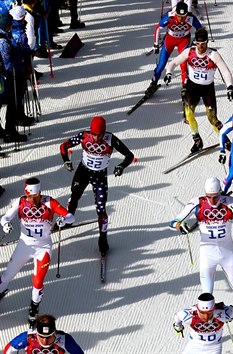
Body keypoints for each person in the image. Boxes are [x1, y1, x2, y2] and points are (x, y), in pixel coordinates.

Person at [169, 177, 233, 329]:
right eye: (209, 197)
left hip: (227, 252)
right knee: (206, 293)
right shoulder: (197, 202)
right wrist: (180, 226)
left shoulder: (231, 202)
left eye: (216, 196)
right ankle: (206, 323)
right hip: (207, 254)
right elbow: (173, 222)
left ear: (220, 193)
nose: (213, 200)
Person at [0, 178, 75, 326]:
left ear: (39, 193)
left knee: (38, 281)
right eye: (29, 197)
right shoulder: (21, 202)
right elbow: (5, 217)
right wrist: (5, 225)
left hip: (43, 248)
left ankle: (34, 308)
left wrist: (63, 221)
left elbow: (70, 216)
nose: (32, 200)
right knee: (7, 275)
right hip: (24, 245)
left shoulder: (49, 202)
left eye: (34, 197)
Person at [59, 116, 135, 256]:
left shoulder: (110, 138)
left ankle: (103, 239)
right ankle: (68, 219)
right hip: (83, 172)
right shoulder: (84, 135)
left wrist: (121, 166)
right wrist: (66, 161)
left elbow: (129, 155)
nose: (95, 137)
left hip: (100, 176)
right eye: (93, 134)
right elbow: (64, 146)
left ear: (103, 132)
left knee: (101, 207)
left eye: (98, 135)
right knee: (75, 195)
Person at [165, 28, 233, 153]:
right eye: (198, 44)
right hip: (192, 87)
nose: (200, 47)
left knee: (212, 118)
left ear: (207, 43)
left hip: (208, 89)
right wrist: (169, 72)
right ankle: (197, 140)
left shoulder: (213, 54)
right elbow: (174, 62)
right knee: (188, 114)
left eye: (203, 44)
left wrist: (229, 86)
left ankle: (225, 140)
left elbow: (225, 71)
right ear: (195, 42)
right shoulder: (189, 52)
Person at [146, 2, 202, 98]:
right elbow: (158, 28)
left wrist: (195, 41)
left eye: (183, 16)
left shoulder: (191, 18)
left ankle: (185, 87)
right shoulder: (170, 16)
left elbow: (200, 29)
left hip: (183, 42)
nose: (181, 19)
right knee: (161, 65)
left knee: (184, 65)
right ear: (176, 13)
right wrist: (156, 44)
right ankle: (153, 84)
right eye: (179, 16)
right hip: (170, 41)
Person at [0, 11, 27, 143]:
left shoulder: (4, 36)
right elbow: (7, 62)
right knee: (12, 103)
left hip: (4, 78)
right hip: (8, 78)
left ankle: (2, 130)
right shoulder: (3, 41)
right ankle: (10, 131)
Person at [4, 314, 84, 353]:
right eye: (41, 336)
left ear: (55, 333)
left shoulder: (65, 339)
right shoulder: (28, 337)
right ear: (36, 332)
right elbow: (9, 349)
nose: (45, 341)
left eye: (48, 337)